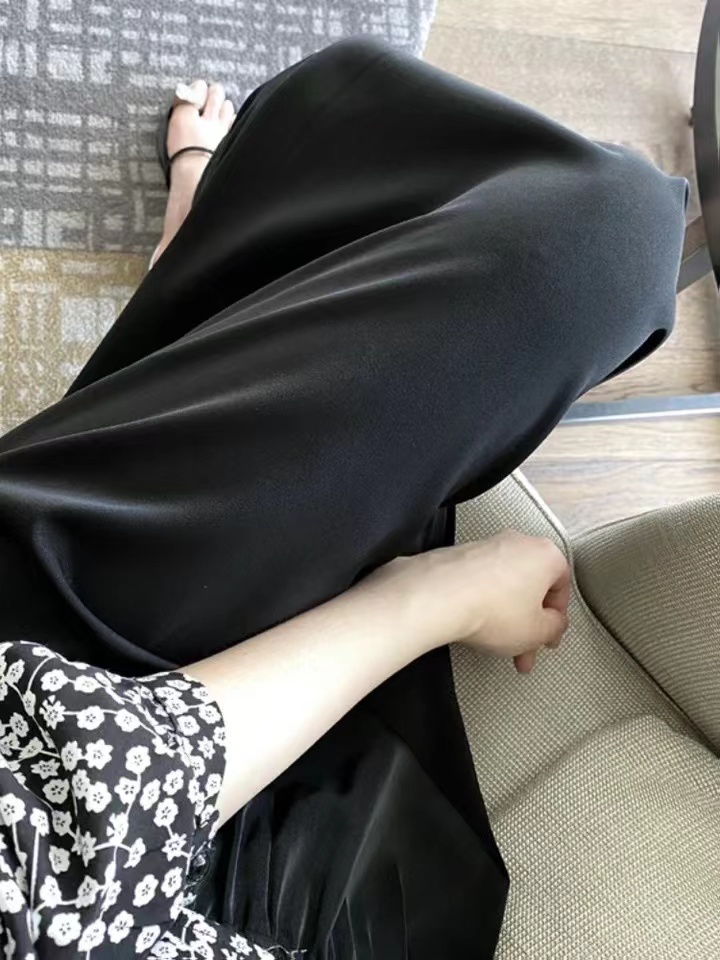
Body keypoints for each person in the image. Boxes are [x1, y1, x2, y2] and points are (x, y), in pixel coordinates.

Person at [0, 38, 686, 960]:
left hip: (51, 746)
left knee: (585, 236)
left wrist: (436, 597)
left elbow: (92, 808)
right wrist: (430, 599)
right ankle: (196, 288)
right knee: (604, 239)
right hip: (295, 888)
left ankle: (193, 277)